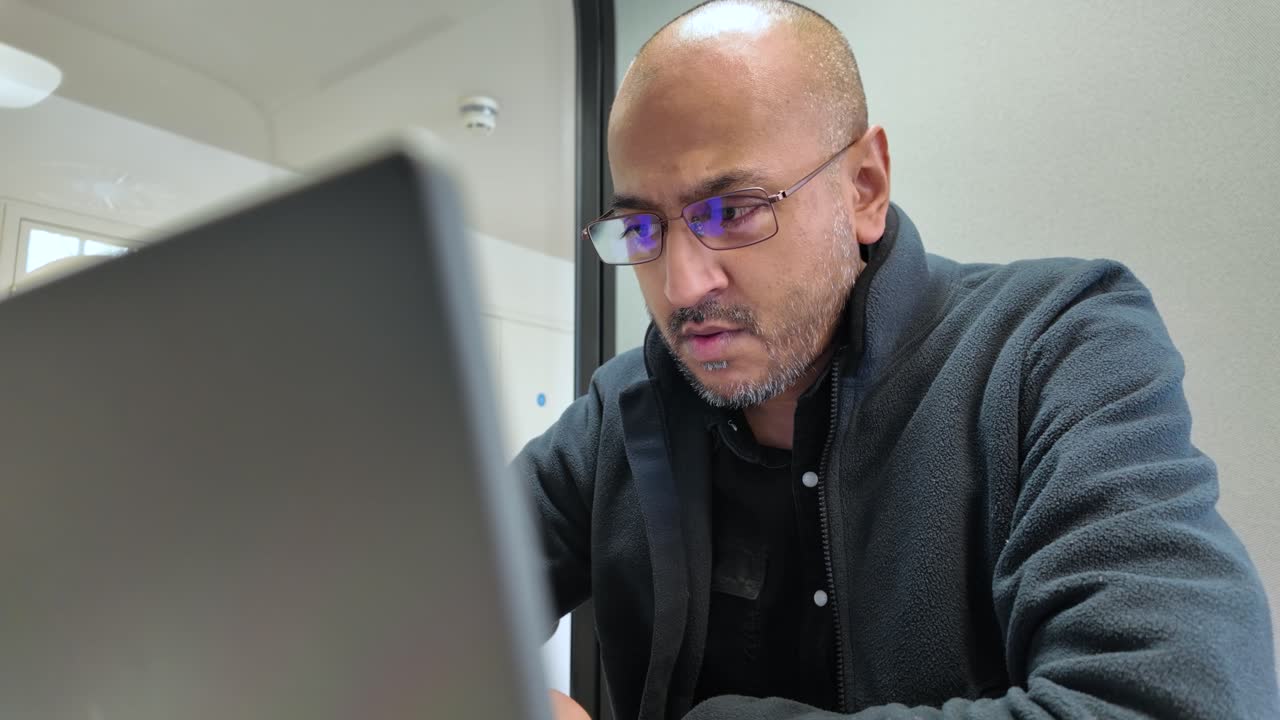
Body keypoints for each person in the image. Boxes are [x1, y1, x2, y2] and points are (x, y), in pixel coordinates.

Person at [518, 1, 1278, 717]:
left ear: (865, 188)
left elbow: (1177, 699)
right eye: (641, 229)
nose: (682, 287)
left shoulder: (1055, 347)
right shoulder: (624, 412)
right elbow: (450, 593)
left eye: (734, 211)